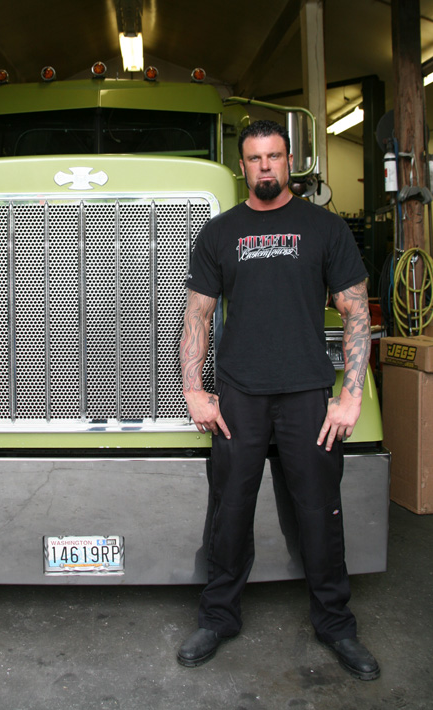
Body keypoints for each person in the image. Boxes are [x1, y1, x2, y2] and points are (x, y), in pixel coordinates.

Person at [177, 119, 379, 681]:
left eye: (274, 156)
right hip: (239, 396)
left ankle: (336, 624)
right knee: (229, 511)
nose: (264, 166)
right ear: (241, 166)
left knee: (320, 512)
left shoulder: (324, 228)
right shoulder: (219, 233)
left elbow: (356, 311)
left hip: (307, 395)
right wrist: (194, 391)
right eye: (254, 158)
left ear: (290, 161)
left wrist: (350, 396)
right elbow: (197, 315)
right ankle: (218, 617)